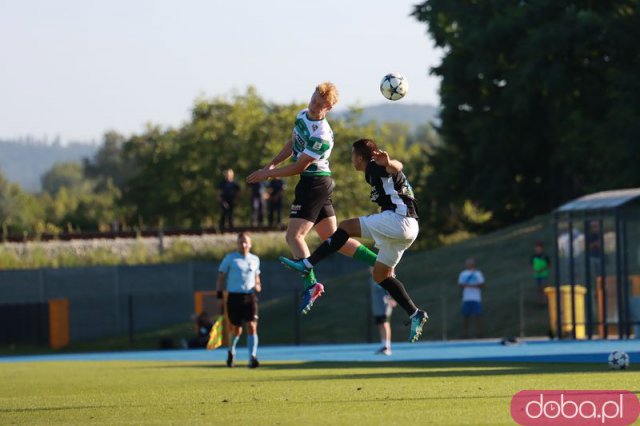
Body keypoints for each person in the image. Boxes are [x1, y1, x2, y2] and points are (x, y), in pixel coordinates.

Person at [279, 138, 428, 343]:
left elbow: (397, 167)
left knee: (345, 227)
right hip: (408, 229)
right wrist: (390, 163)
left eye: (352, 156)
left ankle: (307, 263)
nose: (352, 160)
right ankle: (415, 313)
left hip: (399, 220)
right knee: (380, 275)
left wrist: (389, 162)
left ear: (359, 157)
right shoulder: (374, 170)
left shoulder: (375, 167)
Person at [246, 83, 378, 314]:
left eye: (320, 105)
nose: (314, 105)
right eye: (314, 99)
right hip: (316, 183)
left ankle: (311, 284)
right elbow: (293, 143)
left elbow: (298, 167)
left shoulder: (322, 135)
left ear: (328, 108)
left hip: (314, 183)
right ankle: (378, 262)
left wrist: (266, 174)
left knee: (294, 236)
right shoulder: (302, 115)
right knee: (332, 238)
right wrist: (272, 164)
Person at [216, 232, 262, 368]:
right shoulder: (230, 259)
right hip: (234, 297)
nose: (243, 244)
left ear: (250, 244)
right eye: (241, 242)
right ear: (237, 244)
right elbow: (220, 277)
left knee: (252, 326)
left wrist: (258, 285)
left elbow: (257, 278)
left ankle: (252, 357)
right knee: (236, 330)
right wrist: (219, 295)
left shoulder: (255, 259)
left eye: (246, 242)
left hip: (250, 297)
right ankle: (231, 351)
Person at [458, 258, 485, 339]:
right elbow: (460, 284)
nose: (469, 264)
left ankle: (480, 333)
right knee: (466, 316)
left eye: (470, 263)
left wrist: (470, 286)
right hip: (466, 298)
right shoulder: (463, 273)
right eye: (468, 263)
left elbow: (482, 285)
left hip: (476, 298)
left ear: (474, 264)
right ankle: (465, 334)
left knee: (478, 316)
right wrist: (470, 286)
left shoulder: (478, 273)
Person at [371, 272, 396, 355]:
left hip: (385, 306)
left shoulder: (385, 277)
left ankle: (387, 347)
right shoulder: (373, 279)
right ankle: (383, 345)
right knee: (381, 325)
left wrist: (392, 299)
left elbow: (391, 290)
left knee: (385, 324)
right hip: (377, 307)